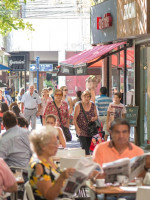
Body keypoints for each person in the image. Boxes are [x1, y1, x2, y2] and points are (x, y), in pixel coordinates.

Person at [29, 126, 75, 200]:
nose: (57, 146)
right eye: (54, 143)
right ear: (43, 146)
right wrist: (62, 177)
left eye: (57, 142)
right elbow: (49, 196)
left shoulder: (48, 160)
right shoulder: (38, 165)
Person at [74, 90, 98, 155]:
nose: (86, 98)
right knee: (84, 147)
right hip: (81, 130)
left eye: (88, 97)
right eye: (85, 97)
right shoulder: (78, 106)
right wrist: (77, 128)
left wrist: (94, 118)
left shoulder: (93, 105)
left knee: (88, 145)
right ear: (82, 97)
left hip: (90, 130)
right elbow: (74, 118)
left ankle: (86, 159)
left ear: (90, 98)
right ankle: (85, 159)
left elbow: (96, 116)